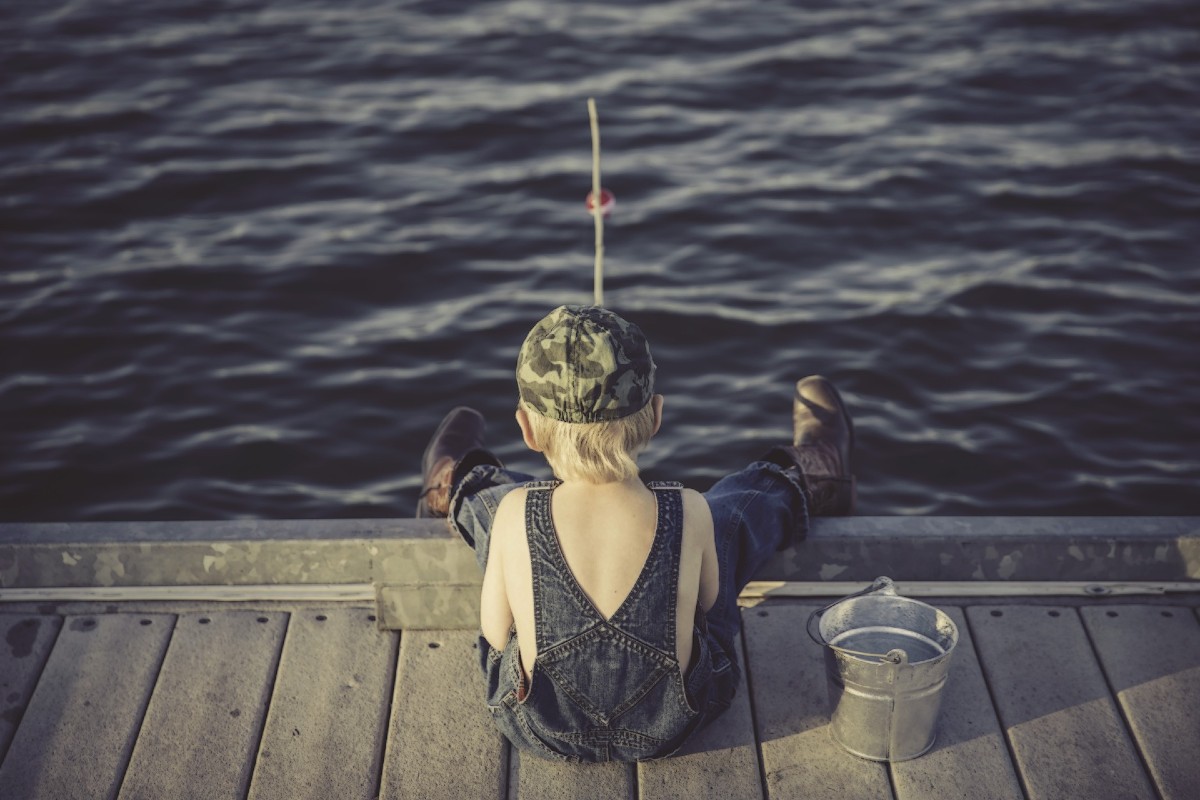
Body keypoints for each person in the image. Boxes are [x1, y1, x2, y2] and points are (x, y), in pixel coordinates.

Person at [415, 304, 854, 763]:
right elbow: (709, 605)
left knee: (500, 511)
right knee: (726, 518)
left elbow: (497, 635)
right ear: (657, 415)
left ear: (527, 429)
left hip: (541, 726)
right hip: (676, 723)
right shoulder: (689, 508)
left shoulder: (515, 511)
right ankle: (804, 477)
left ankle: (461, 482)